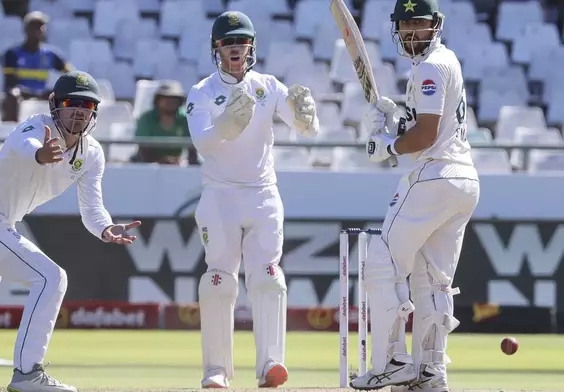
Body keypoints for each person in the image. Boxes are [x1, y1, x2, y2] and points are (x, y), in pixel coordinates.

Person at [0, 71, 141, 392]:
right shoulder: (35, 128)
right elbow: (24, 146)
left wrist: (106, 227)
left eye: (88, 105)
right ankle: (28, 374)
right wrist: (39, 154)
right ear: (54, 104)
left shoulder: (91, 153)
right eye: (72, 103)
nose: (79, 111)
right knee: (52, 277)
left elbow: (91, 207)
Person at [349, 0, 480, 391]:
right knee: (433, 281)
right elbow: (425, 125)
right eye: (405, 25)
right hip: (463, 180)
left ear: (435, 25)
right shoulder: (445, 61)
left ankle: (391, 360)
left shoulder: (430, 67)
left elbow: (424, 136)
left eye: (419, 24)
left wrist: (387, 147)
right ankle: (429, 373)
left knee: (381, 264)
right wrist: (395, 120)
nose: (411, 32)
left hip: (433, 177)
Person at [185, 10, 319, 389]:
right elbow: (202, 143)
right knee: (218, 280)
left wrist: (308, 118)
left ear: (251, 46)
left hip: (262, 194)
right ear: (217, 47)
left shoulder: (268, 86)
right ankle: (216, 371)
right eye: (228, 42)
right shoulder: (203, 92)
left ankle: (271, 365)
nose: (235, 48)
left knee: (268, 277)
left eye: (241, 42)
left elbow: (304, 129)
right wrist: (226, 125)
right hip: (219, 195)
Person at [1, 11, 72, 122]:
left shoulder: (51, 54)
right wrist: (34, 94)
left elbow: (71, 74)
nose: (37, 30)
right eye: (33, 26)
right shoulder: (13, 53)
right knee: (13, 95)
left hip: (43, 94)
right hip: (22, 94)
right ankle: (11, 128)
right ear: (25, 29)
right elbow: (10, 83)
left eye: (40, 27)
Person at [132, 80, 199, 165]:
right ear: (157, 101)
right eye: (165, 99)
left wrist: (190, 166)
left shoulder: (186, 120)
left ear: (180, 102)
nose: (169, 102)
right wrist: (162, 161)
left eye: (173, 99)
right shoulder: (146, 119)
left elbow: (192, 149)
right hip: (146, 165)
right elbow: (143, 149)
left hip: (176, 165)